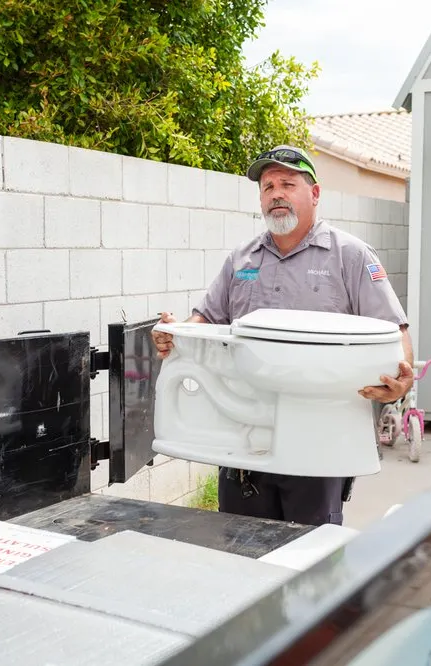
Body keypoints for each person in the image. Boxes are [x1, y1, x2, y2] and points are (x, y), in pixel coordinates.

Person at [151, 145, 414, 527]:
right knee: (241, 550)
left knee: (309, 560)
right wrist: (176, 333)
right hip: (242, 435)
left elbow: (394, 333)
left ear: (315, 193)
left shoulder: (351, 256)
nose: (275, 193)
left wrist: (399, 382)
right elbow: (206, 319)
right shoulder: (241, 259)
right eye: (267, 186)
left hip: (319, 441)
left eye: (288, 184)